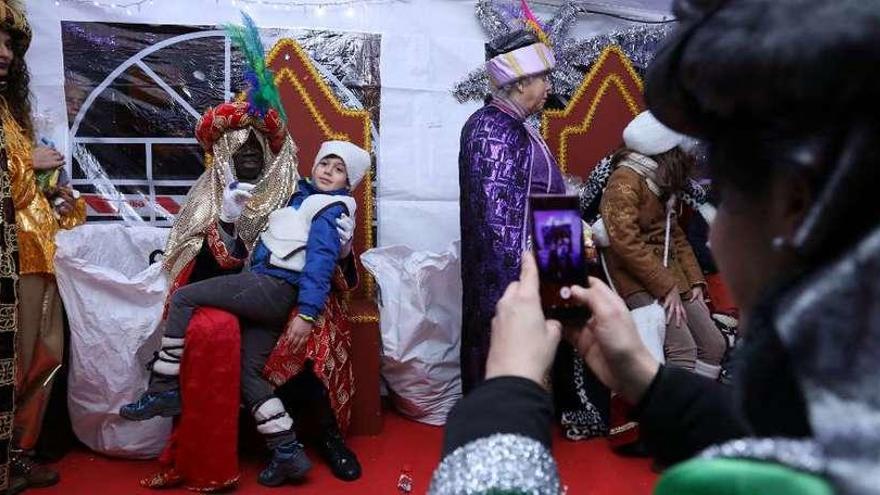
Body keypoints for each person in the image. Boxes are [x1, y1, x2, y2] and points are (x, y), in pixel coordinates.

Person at [431, 0, 880, 493]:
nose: (715, 231)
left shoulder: (733, 483)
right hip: (522, 268)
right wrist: (649, 382)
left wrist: (505, 398)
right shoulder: (491, 129)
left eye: (724, 197)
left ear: (795, 206)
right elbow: (501, 219)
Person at [122, 137, 370, 487]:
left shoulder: (329, 209)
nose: (328, 171)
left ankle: (163, 387)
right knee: (250, 372)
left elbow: (319, 264)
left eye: (339, 168)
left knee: (185, 300)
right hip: (265, 292)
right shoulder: (289, 195)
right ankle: (287, 451)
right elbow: (232, 253)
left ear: (350, 181)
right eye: (325, 163)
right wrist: (227, 217)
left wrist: (310, 310)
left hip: (290, 296)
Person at [0, 2, 86, 492]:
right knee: (10, 360)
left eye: (11, 44)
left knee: (43, 357)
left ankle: (19, 454)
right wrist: (25, 164)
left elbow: (31, 197)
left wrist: (56, 194)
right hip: (9, 263)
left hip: (40, 258)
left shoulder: (13, 115)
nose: (5, 53)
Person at [458, 28, 562, 393]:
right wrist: (524, 276)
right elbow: (497, 217)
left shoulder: (514, 125)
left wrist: (564, 251)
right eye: (544, 77)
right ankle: (497, 431)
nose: (550, 86)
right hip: (507, 271)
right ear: (520, 83)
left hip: (535, 258)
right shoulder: (492, 128)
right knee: (501, 352)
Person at [599, 111, 726, 378]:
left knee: (714, 345)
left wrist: (694, 281)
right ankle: (678, 415)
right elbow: (624, 241)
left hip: (670, 273)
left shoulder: (660, 177)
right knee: (683, 350)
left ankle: (698, 406)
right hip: (638, 278)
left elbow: (675, 234)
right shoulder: (625, 179)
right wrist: (665, 286)